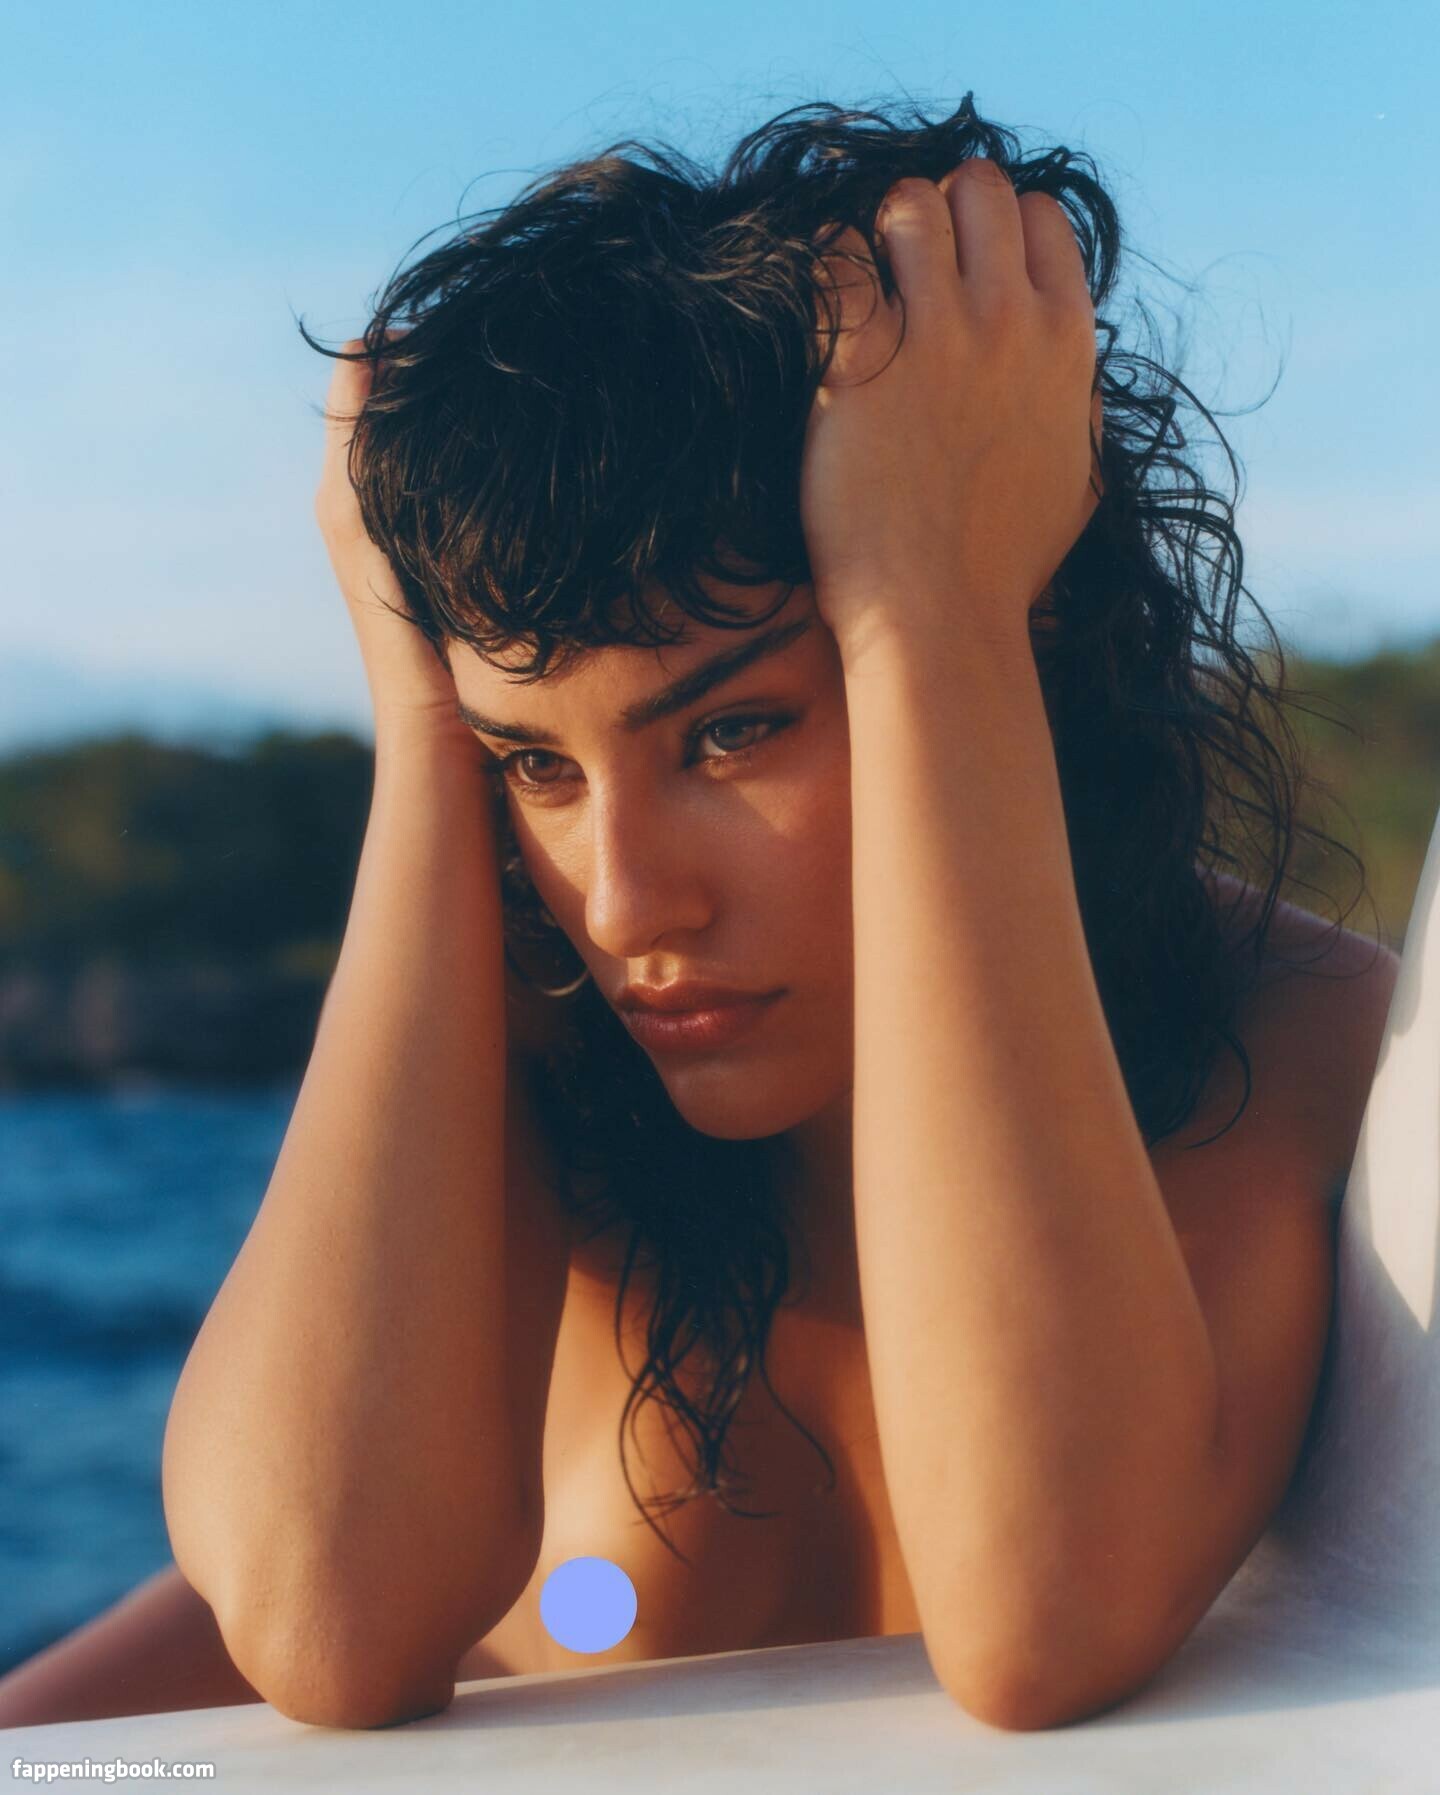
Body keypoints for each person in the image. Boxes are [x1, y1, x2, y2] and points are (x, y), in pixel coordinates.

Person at [0, 92, 1400, 1734]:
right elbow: (320, 1617)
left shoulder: (1299, 1046)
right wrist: (419, 711)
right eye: (538, 765)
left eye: (734, 732)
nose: (622, 900)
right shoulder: (538, 1066)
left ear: (1019, 613)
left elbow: (1041, 1613)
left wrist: (935, 605)